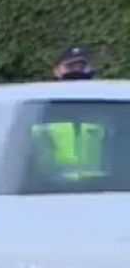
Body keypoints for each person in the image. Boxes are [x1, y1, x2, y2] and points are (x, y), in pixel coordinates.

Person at [34, 45, 106, 183]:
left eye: (81, 66)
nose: (76, 71)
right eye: (70, 66)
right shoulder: (41, 108)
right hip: (49, 188)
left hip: (100, 187)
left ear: (91, 69)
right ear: (57, 71)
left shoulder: (105, 106)